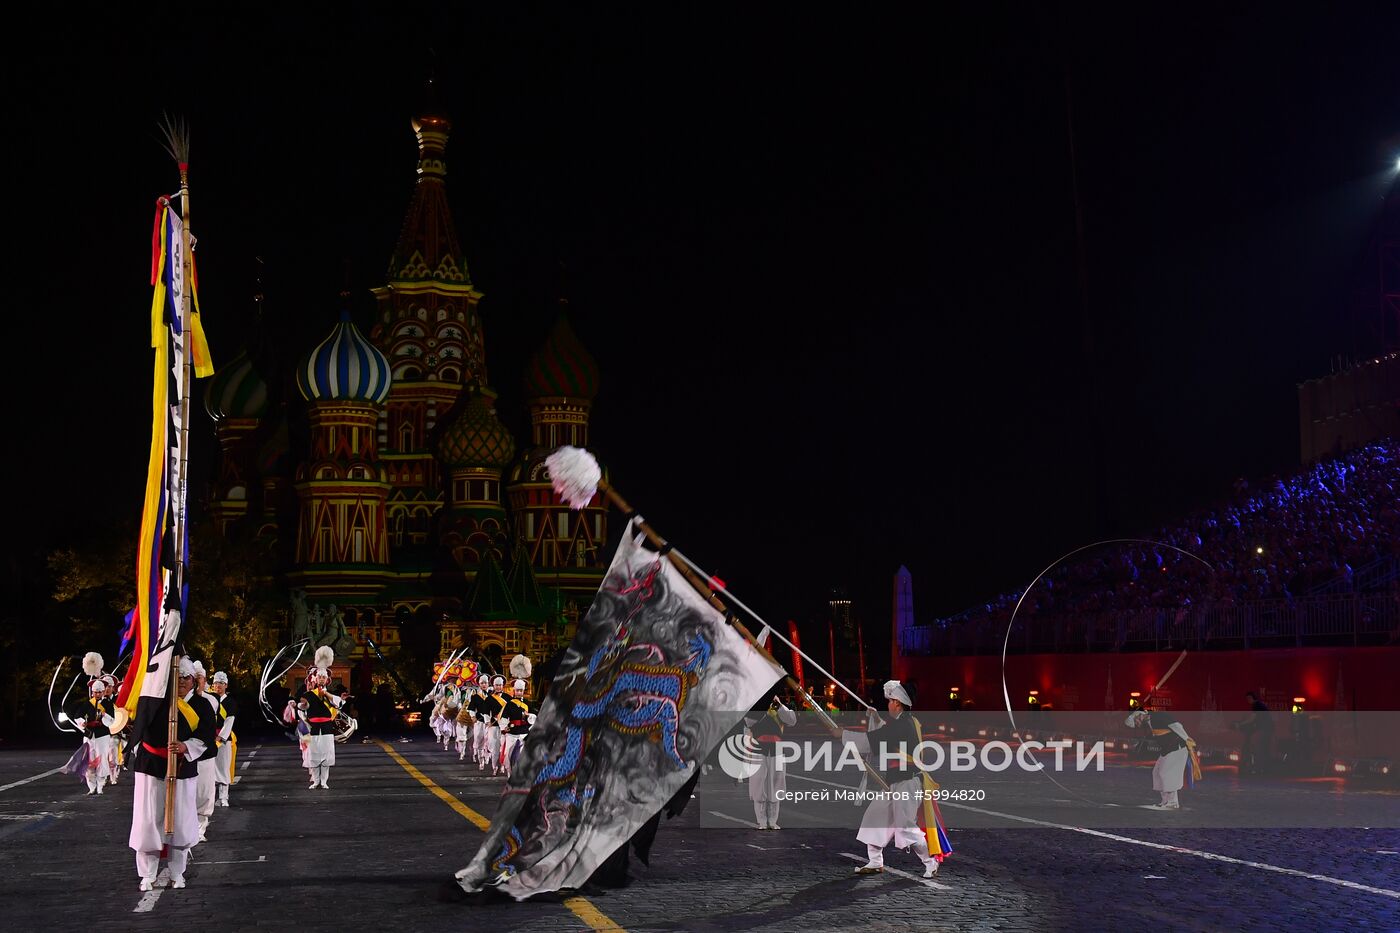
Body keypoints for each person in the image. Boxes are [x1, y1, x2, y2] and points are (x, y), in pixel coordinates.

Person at [129, 657, 216, 891]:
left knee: (180, 822)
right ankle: (147, 874)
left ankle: (178, 873)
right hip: (151, 767)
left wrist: (186, 746)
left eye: (185, 678)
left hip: (182, 768)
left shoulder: (202, 705)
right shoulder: (154, 700)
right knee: (149, 821)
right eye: (176, 678)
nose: (181, 682)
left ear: (193, 680)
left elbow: (208, 736)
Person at [851, 680, 947, 878]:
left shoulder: (904, 724)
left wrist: (842, 735)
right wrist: (876, 718)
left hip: (907, 782)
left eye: (890, 701)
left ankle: (931, 862)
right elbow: (886, 734)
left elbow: (881, 737)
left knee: (906, 827)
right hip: (894, 783)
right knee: (874, 818)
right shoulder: (905, 722)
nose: (888, 705)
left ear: (897, 702)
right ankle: (875, 861)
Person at [1126, 706, 1199, 809]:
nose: (1137, 724)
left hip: (1177, 748)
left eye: (1136, 721)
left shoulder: (1159, 715)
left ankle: (1173, 802)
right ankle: (1165, 801)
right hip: (1167, 750)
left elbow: (1177, 726)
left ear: (1140, 715)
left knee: (1167, 773)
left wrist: (1186, 738)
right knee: (1157, 772)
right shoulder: (1149, 722)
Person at [745, 694, 796, 830]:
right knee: (758, 783)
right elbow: (749, 722)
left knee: (776, 784)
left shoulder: (780, 707)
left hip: (777, 749)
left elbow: (792, 720)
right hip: (758, 748)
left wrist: (778, 706)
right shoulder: (755, 707)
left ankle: (773, 821)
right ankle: (761, 821)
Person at [297, 648, 343, 789]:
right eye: (319, 677)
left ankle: (324, 781)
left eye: (324, 677)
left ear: (327, 680)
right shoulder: (309, 694)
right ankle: (316, 781)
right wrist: (300, 705)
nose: (321, 679)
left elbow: (339, 703)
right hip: (313, 727)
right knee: (314, 755)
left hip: (327, 726)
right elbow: (302, 708)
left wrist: (326, 694)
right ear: (315, 679)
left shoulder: (331, 694)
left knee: (326, 755)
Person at [66, 674, 116, 795]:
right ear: (92, 692)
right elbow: (77, 716)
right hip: (89, 736)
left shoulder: (108, 704)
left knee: (102, 760)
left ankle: (100, 786)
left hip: (102, 736)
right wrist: (82, 723)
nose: (97, 694)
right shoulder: (87, 704)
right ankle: (91, 786)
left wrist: (104, 715)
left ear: (103, 692)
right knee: (89, 761)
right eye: (95, 692)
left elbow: (112, 721)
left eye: (99, 692)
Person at [190, 661, 220, 841]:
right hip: (185, 757)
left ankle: (200, 829)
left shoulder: (210, 700)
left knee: (203, 793)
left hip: (205, 755)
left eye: (200, 678)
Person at [210, 671, 237, 807]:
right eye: (215, 683)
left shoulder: (229, 702)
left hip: (223, 739)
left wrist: (221, 737)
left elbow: (229, 720)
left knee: (223, 767)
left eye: (220, 683)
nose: (217, 686)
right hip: (209, 738)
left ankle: (223, 797)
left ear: (226, 685)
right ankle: (210, 798)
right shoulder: (210, 699)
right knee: (209, 769)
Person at [1232, 691, 1274, 775]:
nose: (1248, 701)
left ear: (1251, 698)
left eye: (1248, 698)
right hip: (1267, 730)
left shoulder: (1256, 705)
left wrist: (1240, 724)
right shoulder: (1260, 705)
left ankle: (1258, 768)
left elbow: (1252, 719)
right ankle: (1262, 769)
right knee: (1263, 749)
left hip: (1264, 730)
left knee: (1259, 749)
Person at [499, 679, 532, 777]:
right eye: (517, 690)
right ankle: (510, 773)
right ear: (514, 691)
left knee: (523, 755)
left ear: (523, 691)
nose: (519, 692)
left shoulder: (528, 703)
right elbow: (504, 717)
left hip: (524, 732)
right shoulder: (509, 704)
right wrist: (504, 727)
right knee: (509, 754)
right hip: (512, 732)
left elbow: (534, 717)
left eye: (520, 691)